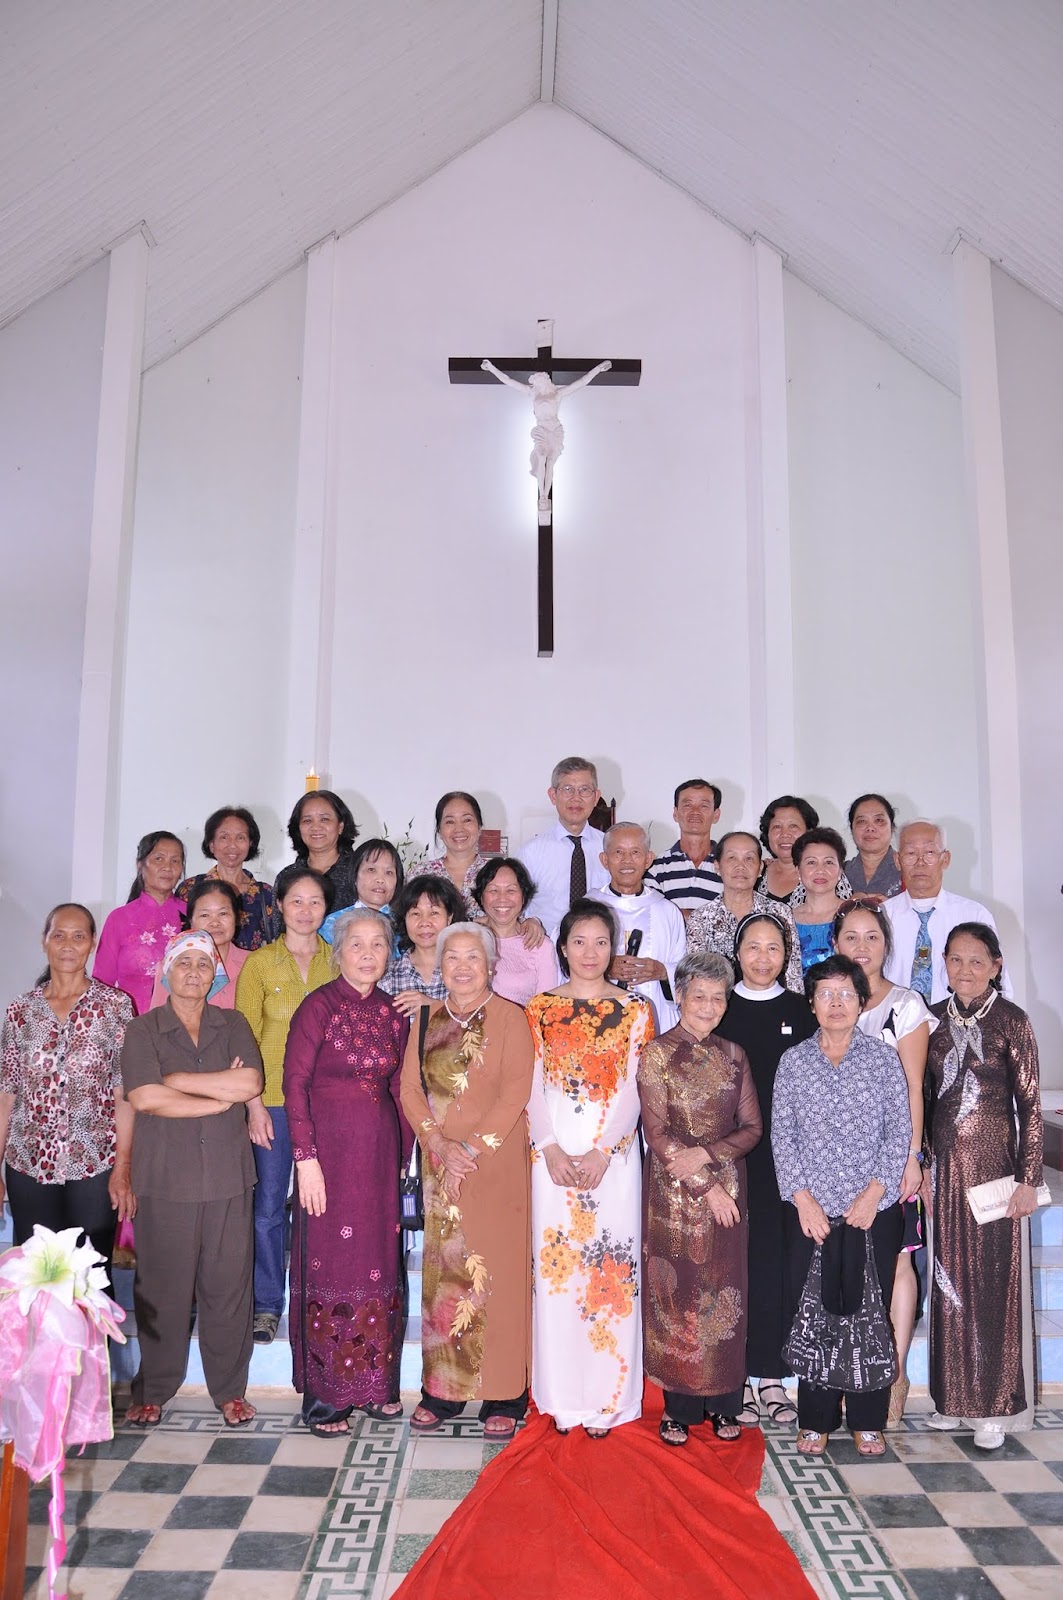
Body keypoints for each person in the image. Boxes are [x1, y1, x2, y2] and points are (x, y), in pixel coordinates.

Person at [121, 931, 264, 1428]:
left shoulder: (233, 1023)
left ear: (215, 975)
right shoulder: (143, 1029)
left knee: (229, 1287)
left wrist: (178, 1082)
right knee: (162, 1287)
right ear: (167, 972)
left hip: (228, 1174)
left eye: (204, 964)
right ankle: (154, 1389)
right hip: (165, 1176)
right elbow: (144, 1097)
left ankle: (230, 1390)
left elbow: (250, 1082)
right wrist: (218, 1099)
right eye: (184, 964)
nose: (194, 973)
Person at [772, 954, 910, 1457]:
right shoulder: (794, 1062)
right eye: (826, 994)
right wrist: (802, 1199)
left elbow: (899, 1130)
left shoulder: (882, 1059)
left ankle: (868, 1419)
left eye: (846, 994)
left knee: (868, 1311)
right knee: (816, 1313)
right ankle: (816, 1419)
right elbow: (783, 1137)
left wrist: (875, 1193)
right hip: (811, 1213)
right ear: (811, 1003)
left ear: (861, 1002)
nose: (836, 1003)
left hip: (871, 1210)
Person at [400, 924, 534, 1442]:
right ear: (439, 965)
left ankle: (505, 1392)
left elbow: (516, 1091)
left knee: (498, 1273)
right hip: (440, 1166)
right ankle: (444, 1390)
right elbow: (410, 1090)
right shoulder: (425, 1019)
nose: (461, 966)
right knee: (446, 1275)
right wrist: (438, 1144)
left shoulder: (511, 1017)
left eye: (472, 957)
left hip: (495, 1165)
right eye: (451, 957)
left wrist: (470, 1151)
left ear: (491, 964)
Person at [526, 900, 655, 1436]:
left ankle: (609, 1400)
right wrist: (550, 1148)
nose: (590, 952)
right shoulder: (539, 1008)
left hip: (614, 1161)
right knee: (557, 1277)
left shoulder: (636, 1010)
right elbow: (531, 1084)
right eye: (579, 941)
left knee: (610, 1274)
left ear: (614, 947)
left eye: (601, 942)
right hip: (552, 1158)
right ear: (562, 946)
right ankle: (559, 1397)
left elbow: (637, 1086)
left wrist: (605, 1150)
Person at [284, 908, 412, 1435]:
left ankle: (376, 1385)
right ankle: (327, 1396)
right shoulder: (318, 1006)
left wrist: (402, 1160)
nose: (367, 953)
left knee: (378, 1261)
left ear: (389, 954)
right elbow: (294, 1083)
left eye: (377, 944)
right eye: (356, 944)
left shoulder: (394, 1014)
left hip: (378, 1158)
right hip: (328, 1158)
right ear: (338, 953)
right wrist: (305, 1159)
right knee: (331, 1263)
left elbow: (401, 1091)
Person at [924, 923, 1044, 1450]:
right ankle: (952, 1400)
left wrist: (1028, 1178)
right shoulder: (931, 1022)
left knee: (994, 1285)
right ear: (944, 964)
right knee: (947, 1282)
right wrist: (922, 1167)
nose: (966, 970)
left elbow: (1031, 1106)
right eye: (956, 959)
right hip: (945, 1174)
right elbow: (923, 1100)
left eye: (977, 961)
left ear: (996, 966)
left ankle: (993, 1405)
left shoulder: (1012, 1021)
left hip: (996, 1174)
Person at [638, 950, 762, 1447]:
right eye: (699, 996)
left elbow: (752, 1128)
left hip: (729, 1190)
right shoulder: (656, 1053)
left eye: (718, 998)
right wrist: (704, 1184)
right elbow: (656, 1132)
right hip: (672, 1194)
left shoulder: (735, 1054)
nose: (709, 1006)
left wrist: (709, 1157)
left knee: (725, 1288)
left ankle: (726, 1402)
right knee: (678, 1291)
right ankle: (680, 1408)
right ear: (680, 997)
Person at [834, 897, 936, 1427]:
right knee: (846, 1264)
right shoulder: (826, 998)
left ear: (887, 945)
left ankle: (892, 1374)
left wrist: (912, 1158)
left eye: (872, 937)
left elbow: (915, 1088)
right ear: (835, 944)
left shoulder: (906, 1005)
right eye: (851, 937)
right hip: (837, 1162)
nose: (862, 947)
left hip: (892, 1156)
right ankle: (849, 1370)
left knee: (897, 1261)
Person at [714, 912, 817, 1428]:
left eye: (772, 947)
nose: (762, 957)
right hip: (729, 1157)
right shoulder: (719, 1007)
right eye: (752, 947)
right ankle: (734, 1376)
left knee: (776, 1261)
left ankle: (773, 1377)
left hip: (786, 1159)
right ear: (737, 953)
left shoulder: (801, 1011)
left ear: (786, 954)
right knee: (733, 1263)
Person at [1, 904, 135, 1287]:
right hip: (28, 1162)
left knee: (90, 1277)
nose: (68, 945)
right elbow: (6, 1095)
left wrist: (123, 1167)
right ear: (44, 941)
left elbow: (124, 1094)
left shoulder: (115, 1007)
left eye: (79, 936)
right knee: (37, 1276)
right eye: (58, 935)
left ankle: (92, 1332)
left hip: (94, 1161)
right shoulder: (21, 1011)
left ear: (92, 943)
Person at [235, 865, 335, 1344]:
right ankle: (267, 1304)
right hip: (273, 1101)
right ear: (278, 906)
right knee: (269, 1207)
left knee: (324, 1206)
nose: (305, 910)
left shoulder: (339, 960)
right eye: (296, 900)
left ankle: (318, 1296)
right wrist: (253, 1106)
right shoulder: (260, 964)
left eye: (315, 901)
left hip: (328, 1106)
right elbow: (243, 1042)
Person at [882, 821, 1012, 1003]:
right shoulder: (881, 916)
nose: (920, 862)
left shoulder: (974, 915)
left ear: (946, 859)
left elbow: (1000, 983)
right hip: (894, 1019)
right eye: (911, 853)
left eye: (929, 853)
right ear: (897, 860)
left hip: (959, 1019)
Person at [480, 356, 612, 520]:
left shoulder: (557, 394)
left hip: (555, 431)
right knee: (541, 457)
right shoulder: (532, 393)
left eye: (538, 381)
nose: (536, 383)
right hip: (541, 431)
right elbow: (508, 381)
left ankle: (545, 496)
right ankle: (542, 494)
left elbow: (582, 382)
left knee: (550, 463)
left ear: (544, 381)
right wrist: (491, 368)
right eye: (536, 382)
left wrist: (598, 369)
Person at [589, 823, 686, 1031]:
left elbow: (684, 968)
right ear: (604, 860)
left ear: (648, 859)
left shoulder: (667, 911)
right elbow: (565, 964)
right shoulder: (585, 911)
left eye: (635, 852)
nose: (627, 860)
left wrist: (662, 971)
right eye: (618, 852)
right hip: (597, 1021)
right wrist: (605, 967)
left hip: (656, 1019)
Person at [686, 831, 803, 993]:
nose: (740, 866)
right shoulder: (700, 919)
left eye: (749, 858)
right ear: (717, 866)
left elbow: (793, 974)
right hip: (719, 1005)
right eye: (732, 858)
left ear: (760, 868)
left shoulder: (779, 913)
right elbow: (697, 980)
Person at [94, 831, 187, 1015]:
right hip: (130, 1021)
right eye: (159, 859)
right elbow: (101, 984)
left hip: (182, 1021)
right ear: (140, 865)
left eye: (175, 861)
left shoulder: (191, 915)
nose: (168, 867)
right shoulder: (119, 918)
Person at [519, 757, 609, 937]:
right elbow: (516, 909)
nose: (576, 798)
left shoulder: (609, 848)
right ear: (553, 795)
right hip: (545, 948)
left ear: (596, 797)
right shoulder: (530, 853)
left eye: (584, 790)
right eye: (568, 789)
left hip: (597, 948)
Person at [177, 806, 279, 950]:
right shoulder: (190, 889)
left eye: (240, 837)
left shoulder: (266, 894)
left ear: (250, 844)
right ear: (211, 845)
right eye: (224, 837)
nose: (232, 845)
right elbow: (178, 941)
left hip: (254, 965)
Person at [149, 879, 248, 1009]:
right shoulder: (170, 967)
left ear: (236, 918)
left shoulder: (254, 963)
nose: (215, 923)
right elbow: (159, 1018)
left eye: (223, 913)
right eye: (205, 915)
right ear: (191, 922)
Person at [473, 856, 560, 1006]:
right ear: (481, 897)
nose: (502, 898)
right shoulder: (466, 937)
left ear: (523, 896)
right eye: (493, 890)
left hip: (522, 1021)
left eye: (511, 890)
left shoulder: (540, 945)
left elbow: (545, 1008)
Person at [380, 873, 466, 1017]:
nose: (425, 922)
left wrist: (432, 1007)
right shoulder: (387, 976)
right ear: (404, 919)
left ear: (449, 918)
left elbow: (479, 1021)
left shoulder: (466, 970)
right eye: (415, 914)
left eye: (434, 913)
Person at [645, 780, 724, 917]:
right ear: (675, 813)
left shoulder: (730, 866)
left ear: (716, 815)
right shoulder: (655, 868)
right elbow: (655, 917)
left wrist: (678, 915)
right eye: (687, 805)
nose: (695, 812)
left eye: (704, 806)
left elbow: (735, 914)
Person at [320, 837, 405, 945]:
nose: (380, 879)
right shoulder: (332, 925)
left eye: (389, 872)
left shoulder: (406, 926)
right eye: (371, 870)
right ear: (355, 876)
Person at [417, 792, 491, 914]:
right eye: (450, 822)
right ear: (439, 831)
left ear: (479, 827)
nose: (459, 829)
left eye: (467, 820)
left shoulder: (496, 873)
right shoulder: (420, 873)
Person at [288, 789, 360, 913]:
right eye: (307, 820)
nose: (316, 827)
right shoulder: (287, 877)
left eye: (325, 819)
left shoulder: (358, 873)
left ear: (340, 826)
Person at [790, 828, 848, 973]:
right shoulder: (786, 920)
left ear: (840, 870)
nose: (820, 870)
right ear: (798, 871)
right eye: (811, 862)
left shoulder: (853, 915)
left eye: (828, 862)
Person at [756, 797, 819, 903]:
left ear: (809, 831)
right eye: (777, 826)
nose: (785, 834)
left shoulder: (827, 872)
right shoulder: (754, 873)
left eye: (793, 826)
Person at [844, 794, 902, 899]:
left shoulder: (907, 867)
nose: (870, 828)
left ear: (892, 827)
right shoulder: (840, 872)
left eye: (879, 820)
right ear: (852, 829)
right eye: (862, 821)